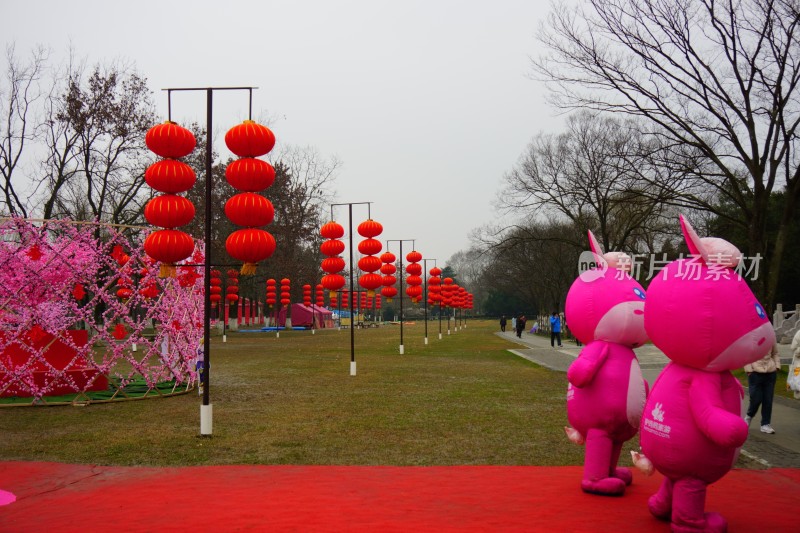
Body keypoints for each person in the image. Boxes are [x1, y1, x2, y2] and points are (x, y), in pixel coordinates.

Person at [744, 341, 781, 433]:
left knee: (768, 399)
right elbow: (745, 354)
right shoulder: (751, 337)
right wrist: (749, 370)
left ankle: (765, 424)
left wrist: (777, 366)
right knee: (756, 399)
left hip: (770, 372)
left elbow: (775, 353)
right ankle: (749, 415)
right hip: (755, 373)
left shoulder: (771, 337)